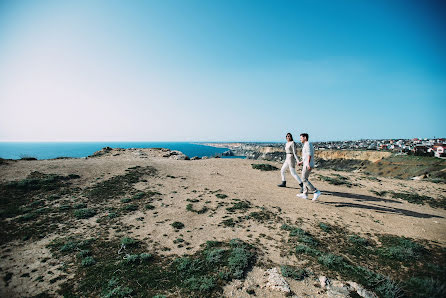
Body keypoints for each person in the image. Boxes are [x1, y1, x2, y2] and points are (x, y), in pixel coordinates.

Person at [296, 133, 321, 201]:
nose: (300, 139)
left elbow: (309, 155)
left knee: (303, 179)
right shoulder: (306, 144)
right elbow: (306, 156)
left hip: (308, 164)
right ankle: (305, 194)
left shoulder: (308, 144)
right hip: (306, 163)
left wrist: (308, 164)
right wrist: (301, 162)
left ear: (305, 138)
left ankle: (315, 191)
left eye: (301, 138)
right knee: (305, 179)